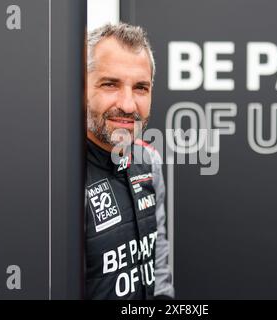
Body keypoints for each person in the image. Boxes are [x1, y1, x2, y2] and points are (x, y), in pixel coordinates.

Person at [84, 22, 174, 300]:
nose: (128, 105)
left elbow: (158, 261)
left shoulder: (150, 161)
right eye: (110, 84)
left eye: (140, 88)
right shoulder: (57, 177)